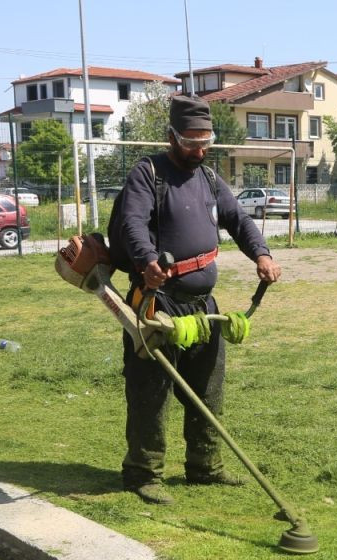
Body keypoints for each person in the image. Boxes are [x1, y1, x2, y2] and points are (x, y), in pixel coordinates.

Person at [115, 95, 282, 504]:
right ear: (171, 137)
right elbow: (131, 222)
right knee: (151, 392)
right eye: (191, 142)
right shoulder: (147, 174)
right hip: (157, 304)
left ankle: (205, 468)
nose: (200, 150)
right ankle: (143, 473)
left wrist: (261, 253)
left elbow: (239, 220)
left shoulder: (208, 178)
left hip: (204, 306)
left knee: (208, 389)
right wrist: (147, 260)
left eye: (206, 142)